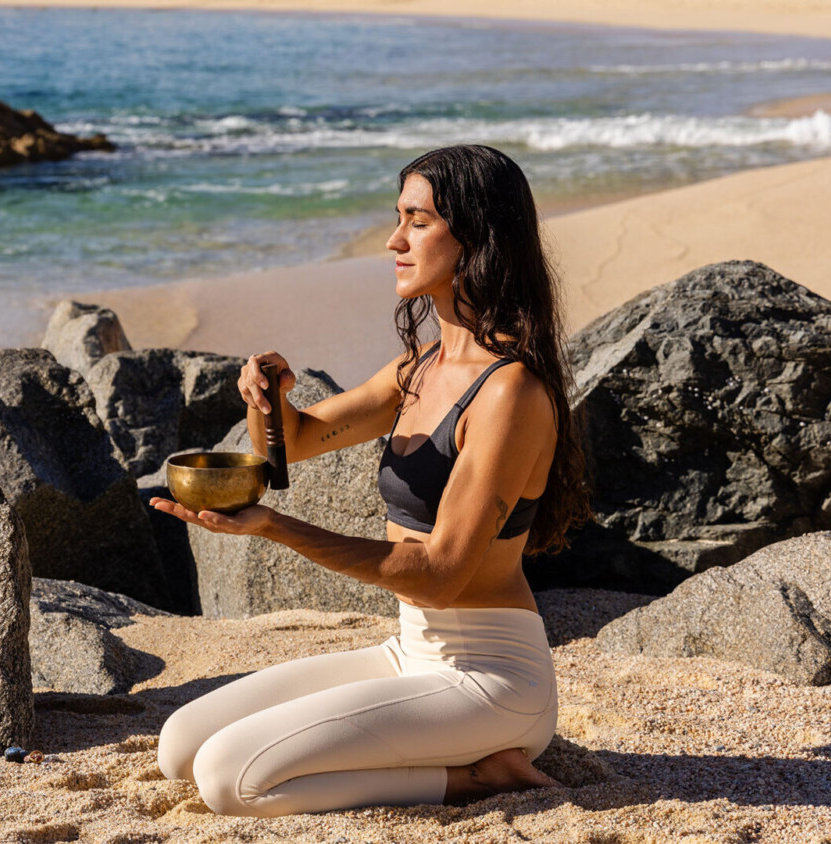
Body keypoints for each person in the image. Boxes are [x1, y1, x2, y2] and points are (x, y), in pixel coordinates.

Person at [149, 144, 590, 817]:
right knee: (178, 745)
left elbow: (440, 573)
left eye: (417, 221)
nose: (394, 240)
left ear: (475, 237)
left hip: (492, 677)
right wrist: (265, 393)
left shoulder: (511, 394)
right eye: (398, 218)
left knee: (227, 779)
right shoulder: (417, 368)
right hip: (410, 652)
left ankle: (473, 778)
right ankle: (457, 755)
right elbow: (291, 444)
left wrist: (271, 527)